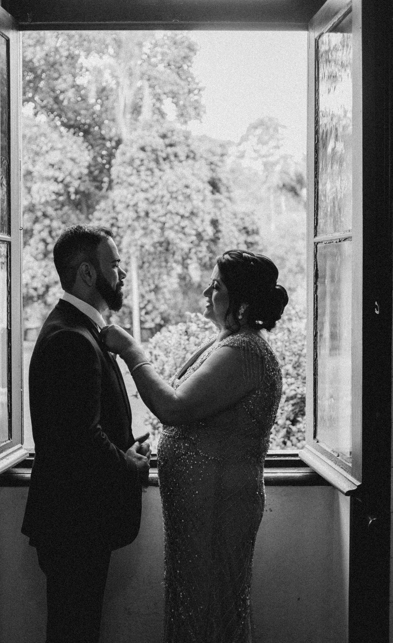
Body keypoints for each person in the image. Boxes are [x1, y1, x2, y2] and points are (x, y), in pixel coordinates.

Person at [101, 249, 288, 643]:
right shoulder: (228, 342)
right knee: (194, 603)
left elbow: (174, 407)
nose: (205, 291)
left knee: (211, 605)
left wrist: (132, 351)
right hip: (204, 503)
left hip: (220, 504)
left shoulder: (244, 351)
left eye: (216, 286)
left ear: (242, 303)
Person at [21, 225, 150, 643]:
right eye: (115, 264)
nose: (122, 274)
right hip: (74, 523)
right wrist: (131, 466)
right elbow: (80, 439)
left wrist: (127, 443)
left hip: (76, 521)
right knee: (73, 632)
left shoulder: (80, 329)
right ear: (88, 273)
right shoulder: (70, 339)